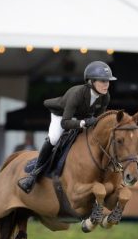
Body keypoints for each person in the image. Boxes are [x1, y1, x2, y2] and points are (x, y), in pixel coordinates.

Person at [18, 61, 116, 193]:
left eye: (108, 81)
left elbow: (97, 120)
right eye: (102, 81)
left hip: (82, 118)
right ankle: (33, 175)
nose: (106, 85)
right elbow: (65, 123)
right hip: (61, 116)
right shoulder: (77, 94)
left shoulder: (105, 97)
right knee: (53, 138)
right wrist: (83, 123)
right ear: (91, 81)